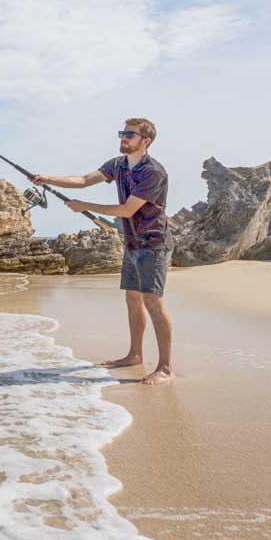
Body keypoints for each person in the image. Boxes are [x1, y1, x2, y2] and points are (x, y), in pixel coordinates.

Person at [31, 118, 175, 385]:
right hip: (131, 242)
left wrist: (83, 205)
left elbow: (127, 210)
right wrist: (47, 178)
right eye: (122, 133)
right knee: (132, 299)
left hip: (153, 243)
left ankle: (165, 368)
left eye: (130, 135)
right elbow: (85, 179)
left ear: (146, 142)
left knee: (152, 302)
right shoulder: (117, 165)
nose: (123, 138)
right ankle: (135, 355)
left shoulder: (153, 172)